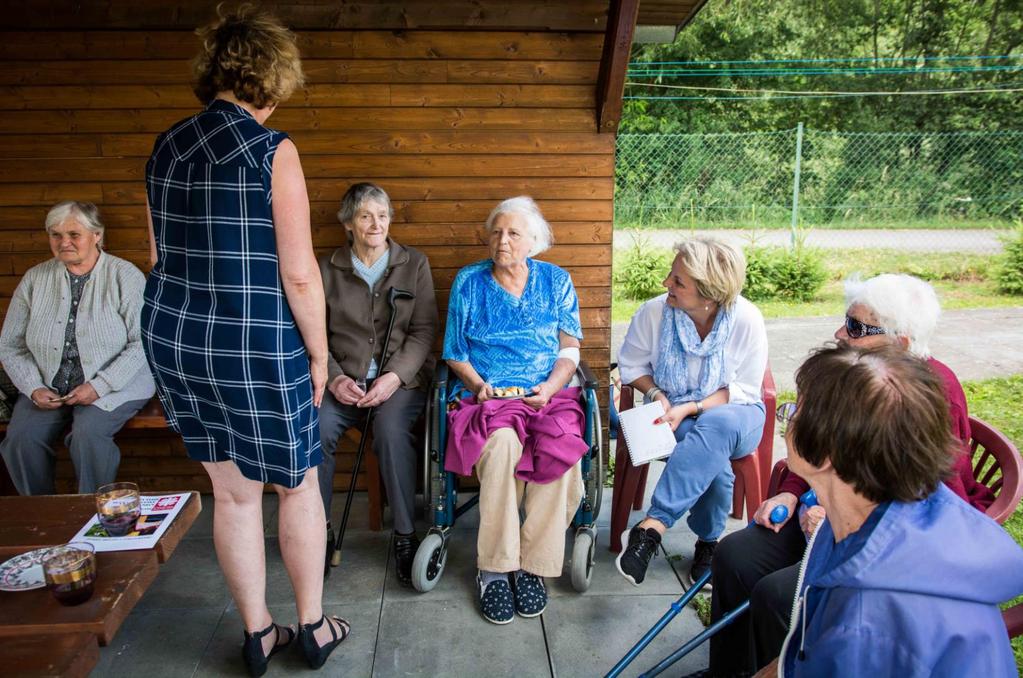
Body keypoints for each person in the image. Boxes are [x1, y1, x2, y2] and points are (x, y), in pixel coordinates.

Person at [141, 7, 346, 675]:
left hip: (174, 338)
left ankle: (258, 635)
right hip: (255, 343)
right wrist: (318, 354)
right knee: (296, 485)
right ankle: (311, 627)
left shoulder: (165, 145)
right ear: (272, 77)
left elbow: (156, 256)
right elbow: (298, 272)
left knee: (231, 492)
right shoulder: (270, 149)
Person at [702, 273, 996, 678]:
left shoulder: (920, 395)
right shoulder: (857, 376)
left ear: (901, 342)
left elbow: (926, 496)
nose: (841, 333)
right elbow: (831, 449)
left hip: (871, 532)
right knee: (735, 555)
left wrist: (839, 518)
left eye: (856, 328)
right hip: (836, 515)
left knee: (777, 595)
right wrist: (792, 493)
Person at [765, 344, 1023, 676]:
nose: (787, 422)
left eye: (795, 413)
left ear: (827, 454)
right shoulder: (900, 509)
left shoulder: (862, 624)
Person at [442, 196, 587, 624]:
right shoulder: (469, 282)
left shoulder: (556, 280)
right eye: (496, 232)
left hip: (547, 396)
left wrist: (550, 387)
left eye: (513, 233)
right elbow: (455, 352)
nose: (502, 241)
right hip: (489, 399)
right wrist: (477, 385)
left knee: (559, 451)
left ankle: (533, 567)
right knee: (502, 446)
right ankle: (494, 567)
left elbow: (569, 349)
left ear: (533, 241)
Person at [615, 236, 768, 588]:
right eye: (671, 275)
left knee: (717, 424)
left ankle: (652, 525)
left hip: (738, 414)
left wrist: (692, 406)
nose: (666, 283)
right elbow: (631, 364)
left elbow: (744, 388)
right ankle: (709, 544)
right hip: (674, 416)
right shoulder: (654, 313)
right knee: (712, 461)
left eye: (678, 281)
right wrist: (655, 392)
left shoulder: (745, 319)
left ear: (710, 293)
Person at [318, 182, 438, 584]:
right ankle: (318, 532)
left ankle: (405, 534)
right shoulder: (326, 268)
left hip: (398, 384)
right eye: (366, 215)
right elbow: (313, 335)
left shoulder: (413, 263)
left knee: (389, 431)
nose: (376, 223)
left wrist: (393, 377)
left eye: (382, 215)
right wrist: (335, 379)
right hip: (343, 385)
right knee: (314, 430)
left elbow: (423, 332)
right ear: (348, 223)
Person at [0, 201, 155, 495]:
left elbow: (142, 342)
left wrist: (99, 385)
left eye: (74, 234)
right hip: (48, 386)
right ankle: (40, 514)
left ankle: (93, 513)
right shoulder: (35, 279)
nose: (64, 243)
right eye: (55, 235)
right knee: (21, 438)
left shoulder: (125, 276)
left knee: (88, 435)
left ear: (97, 235)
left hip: (114, 386)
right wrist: (33, 386)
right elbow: (10, 344)